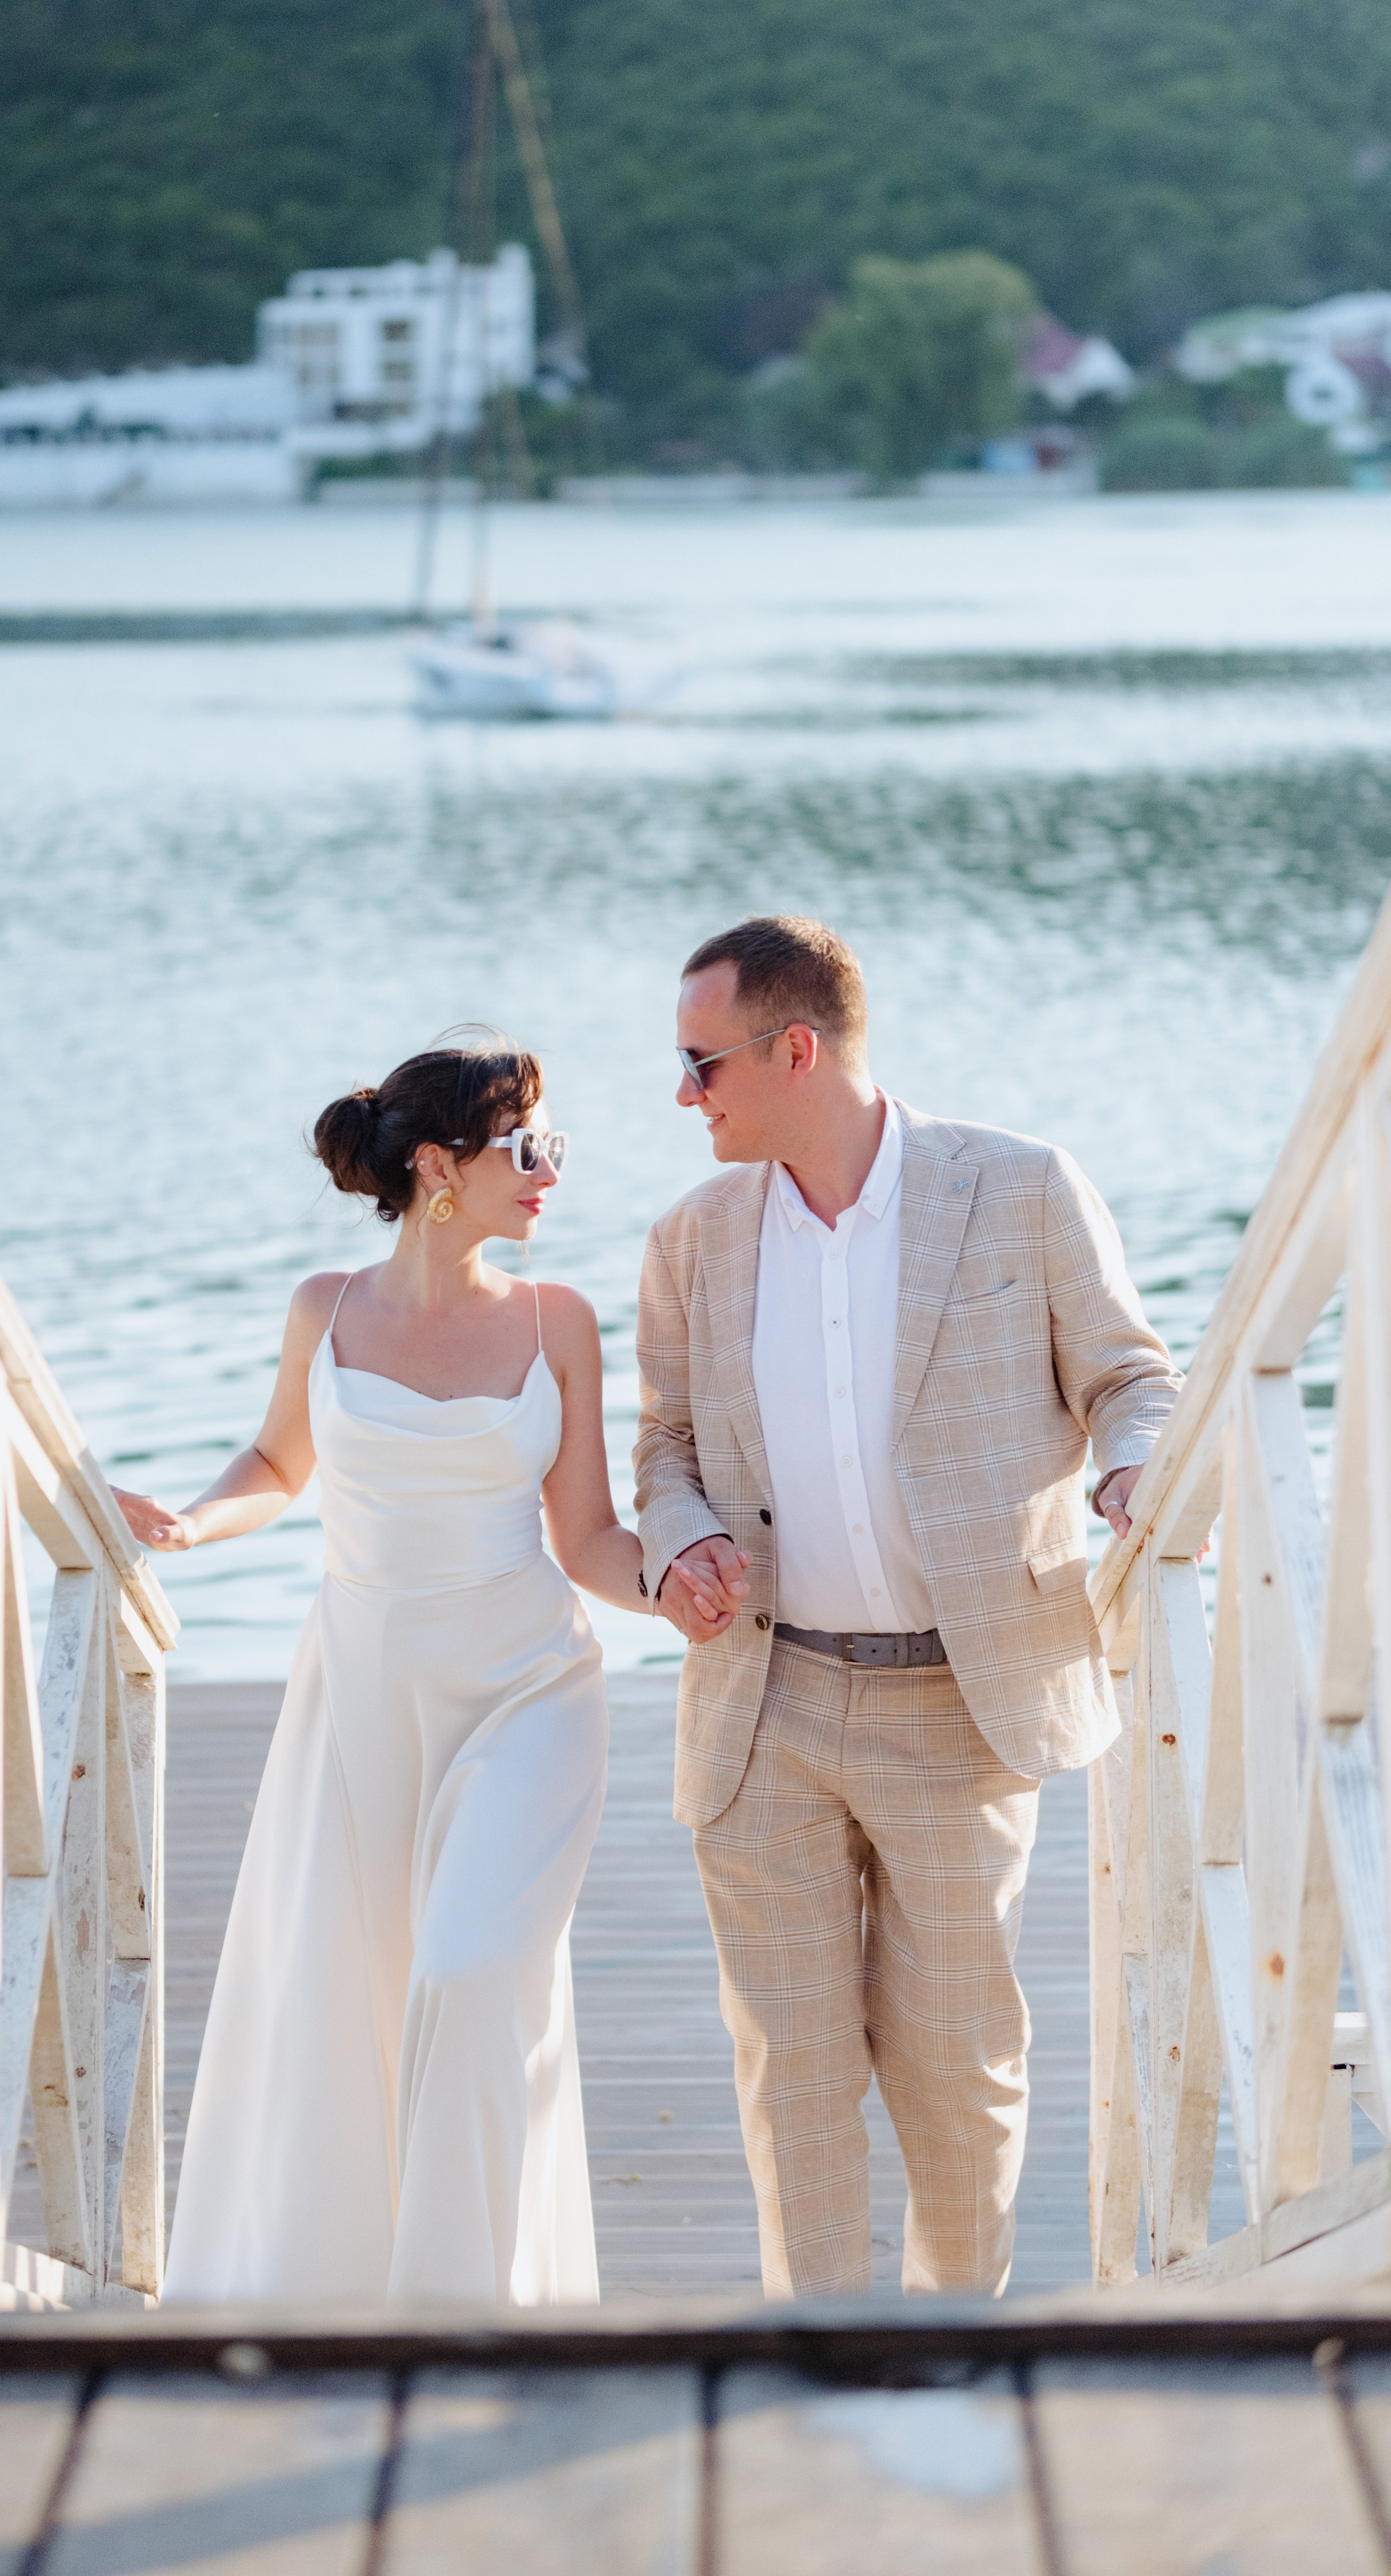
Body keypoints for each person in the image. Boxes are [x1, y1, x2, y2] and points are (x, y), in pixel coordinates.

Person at [117, 1039, 715, 2303]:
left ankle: (464, 2307)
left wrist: (671, 1583)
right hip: (362, 1700)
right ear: (440, 1166)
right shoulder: (324, 1310)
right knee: (356, 2005)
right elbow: (277, 1468)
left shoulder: (559, 1322)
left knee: (472, 1971)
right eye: (529, 1146)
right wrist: (184, 1523)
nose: (552, 1172)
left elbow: (590, 1536)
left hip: (528, 1694)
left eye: (554, 1145)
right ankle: (367, 2298)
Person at [634, 915, 1180, 2298]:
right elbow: (662, 1452)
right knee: (791, 2074)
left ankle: (955, 2347)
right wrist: (679, 1540)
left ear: (793, 1048)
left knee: (957, 2071)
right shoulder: (691, 1238)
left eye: (700, 1064)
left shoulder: (1018, 1187)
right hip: (764, 1702)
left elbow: (1129, 1375)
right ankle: (815, 2358)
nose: (682, 1094)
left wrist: (1131, 1465)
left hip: (962, 1694)